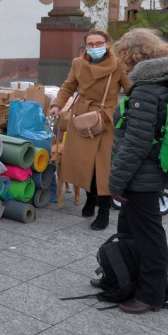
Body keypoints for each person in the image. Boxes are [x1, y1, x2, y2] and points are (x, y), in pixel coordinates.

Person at [104, 29, 168, 314]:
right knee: (129, 227)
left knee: (149, 235)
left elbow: (137, 143)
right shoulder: (159, 82)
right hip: (143, 173)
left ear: (131, 54)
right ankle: (124, 276)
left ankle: (150, 295)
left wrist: (116, 181)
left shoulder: (147, 90)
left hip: (142, 175)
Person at [49, 28, 132, 230]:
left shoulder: (117, 66)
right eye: (90, 44)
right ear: (85, 46)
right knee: (83, 163)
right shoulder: (78, 64)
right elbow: (68, 86)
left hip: (105, 120)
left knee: (102, 168)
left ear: (107, 45)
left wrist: (134, 112)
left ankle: (103, 210)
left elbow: (130, 90)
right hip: (82, 118)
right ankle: (90, 199)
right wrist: (57, 105)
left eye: (98, 43)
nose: (94, 47)